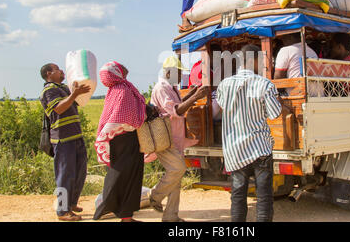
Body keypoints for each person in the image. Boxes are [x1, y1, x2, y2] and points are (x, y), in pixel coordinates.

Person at [217, 45, 282, 222]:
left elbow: (222, 106)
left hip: (235, 151)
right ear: (254, 60)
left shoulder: (224, 85)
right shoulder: (265, 84)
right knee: (264, 197)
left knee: (238, 196)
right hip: (259, 148)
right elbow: (275, 113)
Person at [149, 55, 209, 222]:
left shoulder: (170, 88)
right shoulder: (161, 88)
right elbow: (176, 110)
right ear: (168, 72)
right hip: (165, 138)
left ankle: (170, 216)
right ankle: (155, 195)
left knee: (175, 179)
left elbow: (175, 105)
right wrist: (195, 97)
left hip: (174, 138)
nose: (181, 75)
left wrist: (191, 93)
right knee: (178, 169)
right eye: (178, 72)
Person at [93, 61, 147, 222]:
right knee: (128, 177)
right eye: (120, 67)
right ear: (116, 72)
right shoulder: (124, 90)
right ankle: (110, 209)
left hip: (117, 140)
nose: (125, 68)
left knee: (121, 176)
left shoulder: (113, 91)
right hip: (126, 139)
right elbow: (130, 118)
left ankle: (126, 216)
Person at [39, 63, 91, 221]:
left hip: (75, 136)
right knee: (64, 175)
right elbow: (59, 109)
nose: (61, 71)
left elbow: (74, 102)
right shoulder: (48, 91)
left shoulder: (64, 88)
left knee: (80, 172)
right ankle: (62, 211)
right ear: (49, 73)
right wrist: (74, 94)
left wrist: (76, 92)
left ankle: (72, 203)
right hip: (62, 139)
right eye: (57, 69)